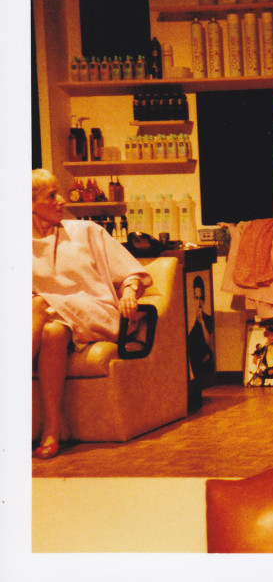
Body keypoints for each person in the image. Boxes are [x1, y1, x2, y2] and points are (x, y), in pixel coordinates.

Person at [31, 168, 151, 458]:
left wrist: (129, 291)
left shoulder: (85, 231)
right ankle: (52, 427)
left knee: (38, 305)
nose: (61, 200)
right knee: (52, 331)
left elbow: (132, 272)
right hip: (53, 318)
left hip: (96, 311)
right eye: (52, 196)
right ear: (30, 204)